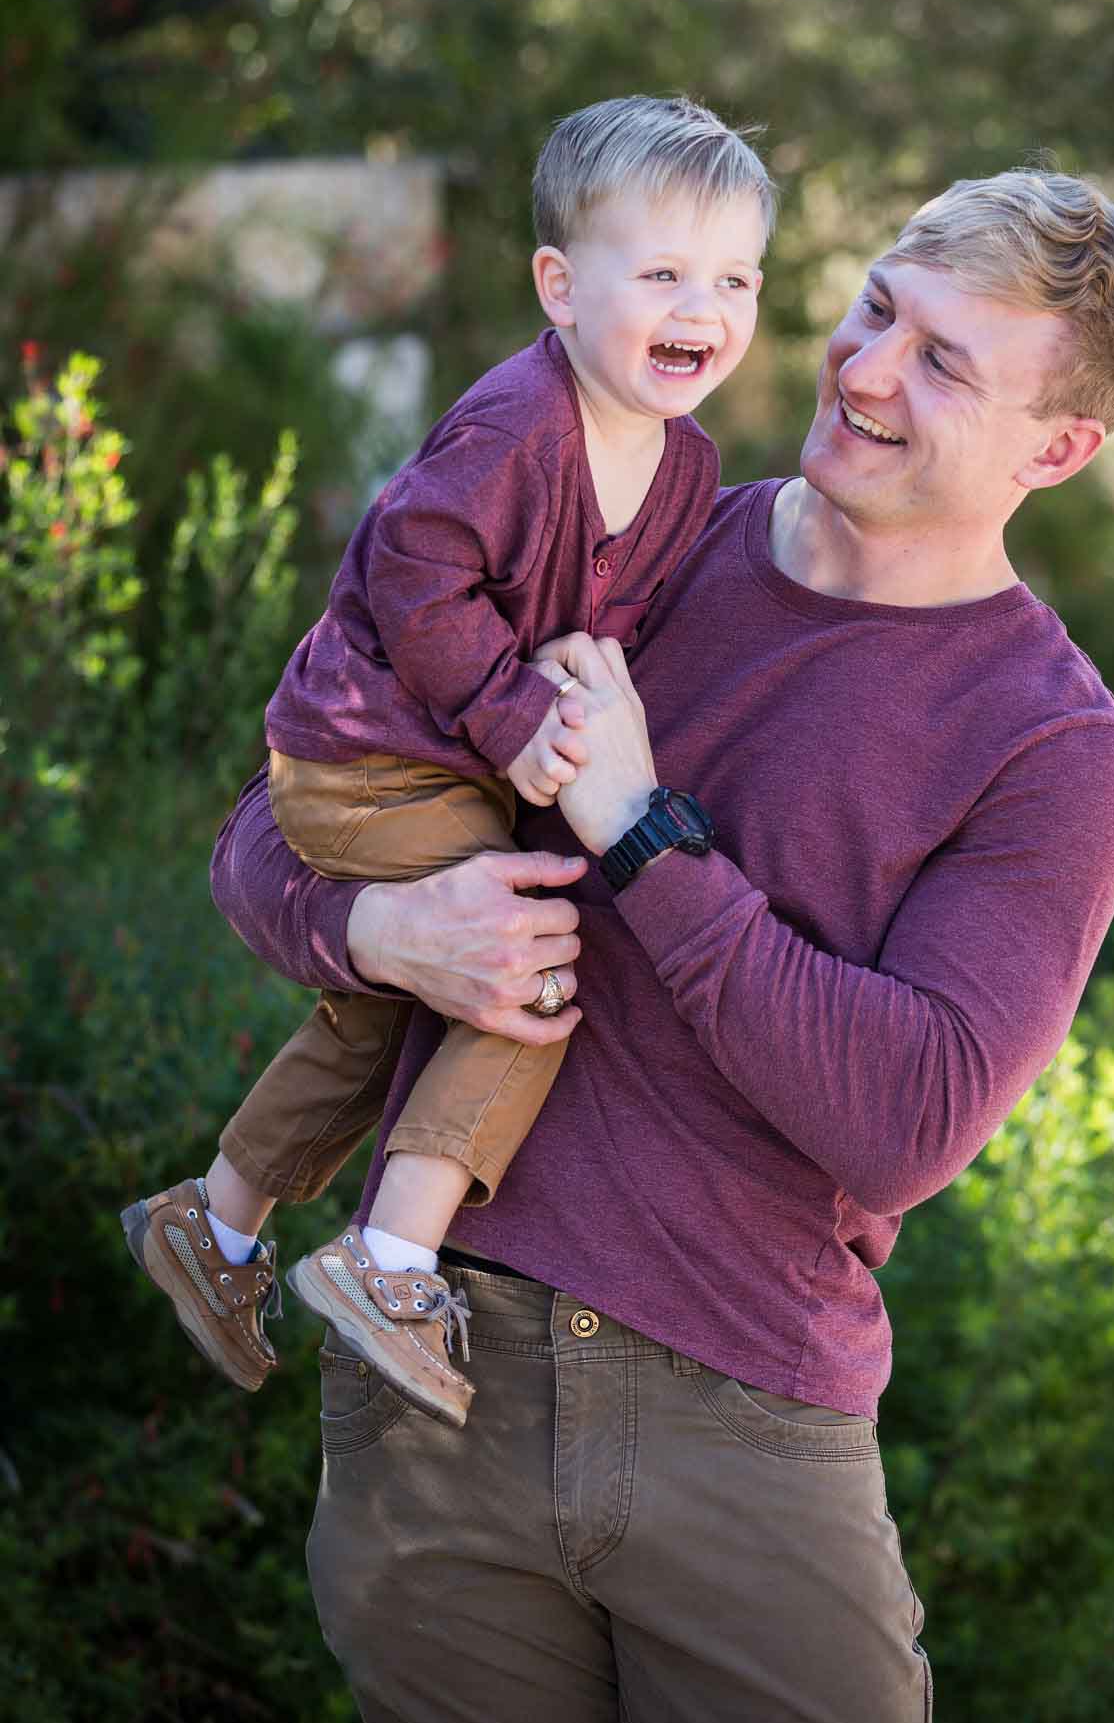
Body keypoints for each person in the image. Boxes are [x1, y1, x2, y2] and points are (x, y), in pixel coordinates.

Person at [210, 167, 1114, 1723]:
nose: (865, 370)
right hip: (434, 1368)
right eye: (875, 308)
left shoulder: (1052, 750)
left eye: (941, 362)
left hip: (744, 1421)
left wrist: (638, 828)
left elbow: (905, 1120)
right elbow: (272, 824)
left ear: (1056, 448)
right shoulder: (622, 540)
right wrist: (381, 932)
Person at [122, 95, 775, 1424]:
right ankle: (390, 1261)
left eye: (734, 280)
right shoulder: (517, 428)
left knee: (387, 1000)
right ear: (559, 286)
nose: (700, 308)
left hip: (444, 771)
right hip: (368, 758)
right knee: (521, 968)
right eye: (661, 274)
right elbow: (410, 573)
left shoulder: (686, 466)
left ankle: (216, 1222)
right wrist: (511, 713)